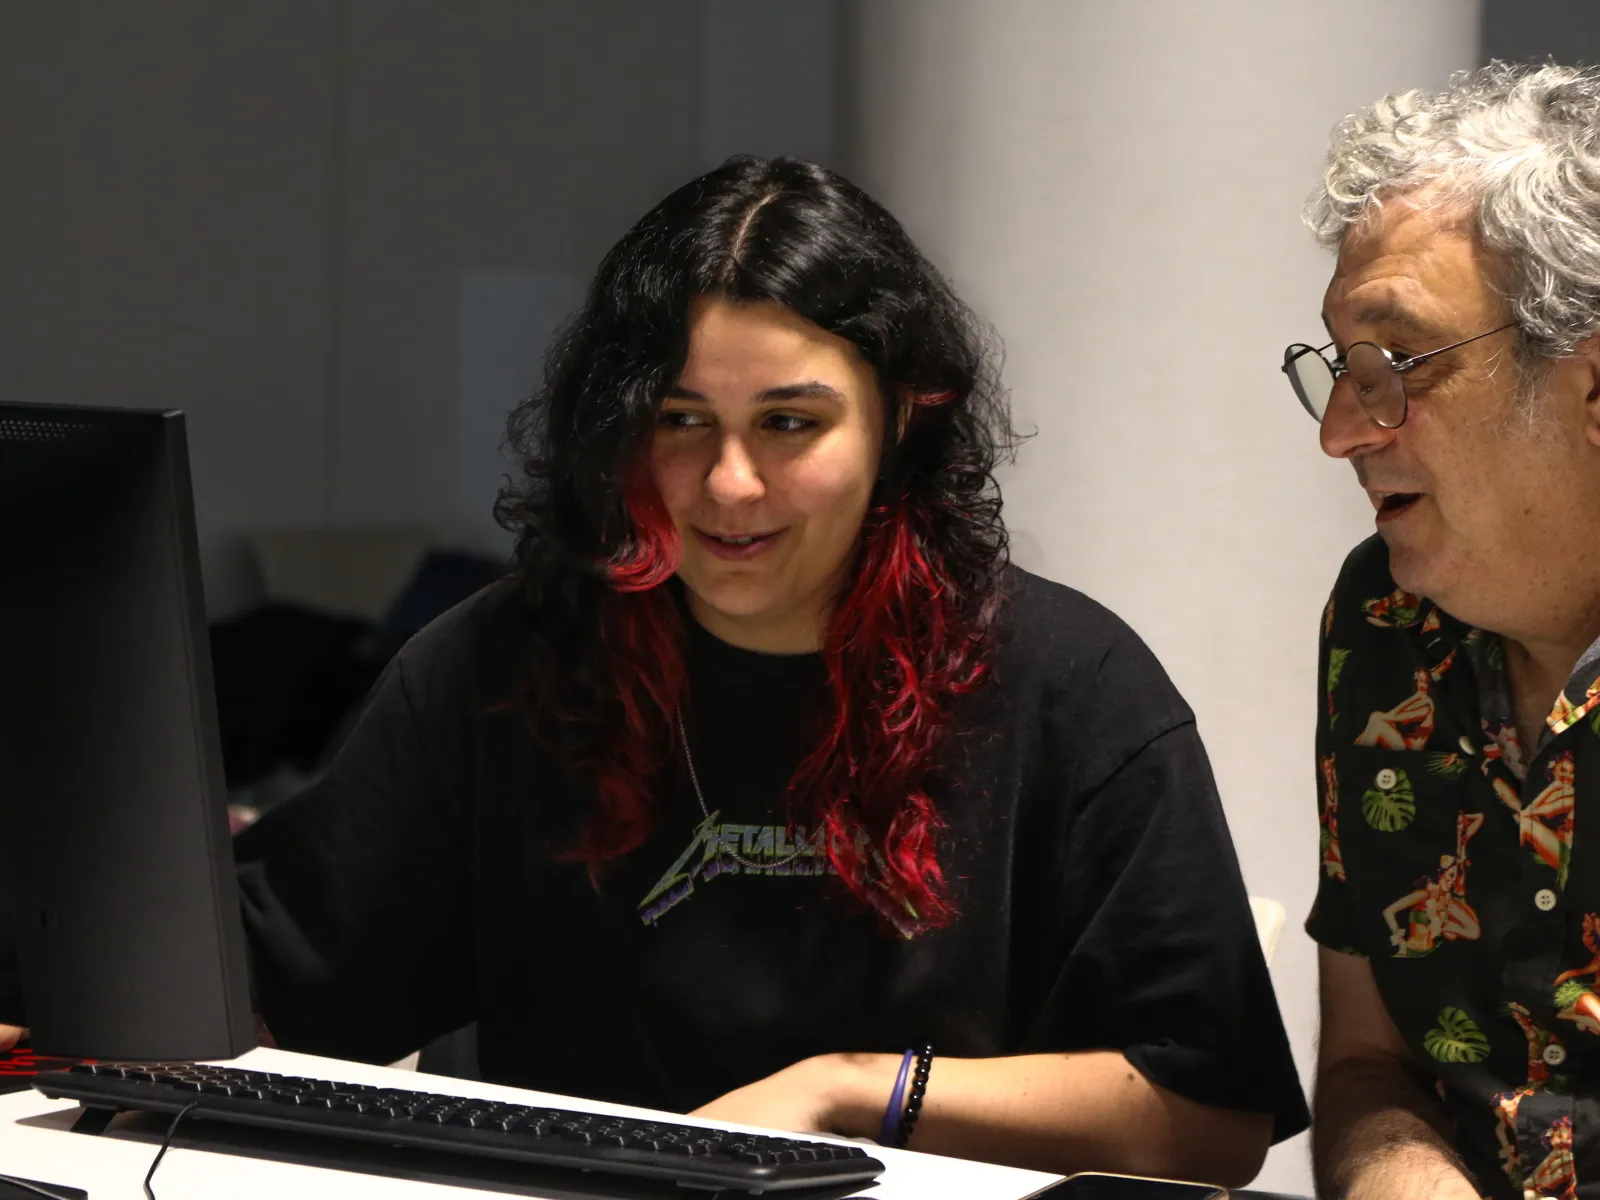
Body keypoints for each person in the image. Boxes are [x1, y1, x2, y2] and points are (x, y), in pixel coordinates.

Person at [1, 157, 1305, 1183]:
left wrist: (853, 1092)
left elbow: (1207, 1116)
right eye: (680, 424)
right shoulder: (511, 663)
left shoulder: (1070, 684)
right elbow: (268, 984)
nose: (729, 485)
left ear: (905, 419)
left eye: (790, 423)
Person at [1286, 62, 1600, 1200]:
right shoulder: (1382, 620)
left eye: (1390, 367)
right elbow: (1369, 1058)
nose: (1339, 433)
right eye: (1336, 368)